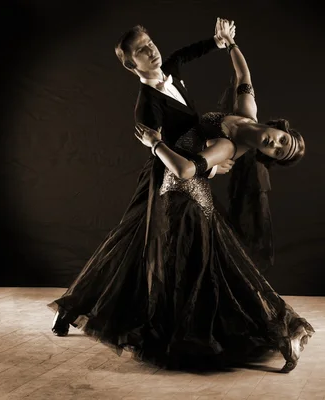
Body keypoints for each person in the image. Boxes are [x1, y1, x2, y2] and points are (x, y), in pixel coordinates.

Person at [132, 19, 313, 373]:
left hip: (186, 200)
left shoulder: (232, 143)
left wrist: (156, 145)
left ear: (268, 157)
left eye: (277, 152)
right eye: (281, 140)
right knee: (193, 272)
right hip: (174, 188)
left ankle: (282, 332)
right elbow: (244, 73)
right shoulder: (247, 112)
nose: (273, 144)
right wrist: (228, 44)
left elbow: (186, 170)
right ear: (279, 128)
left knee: (206, 276)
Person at [49, 19, 236, 336]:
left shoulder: (170, 68)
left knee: (134, 246)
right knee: (134, 246)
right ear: (130, 64)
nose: (151, 51)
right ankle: (75, 308)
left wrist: (218, 42)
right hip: (165, 181)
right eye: (141, 50)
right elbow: (162, 153)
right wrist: (211, 167)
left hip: (187, 173)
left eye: (150, 43)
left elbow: (186, 53)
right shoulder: (147, 106)